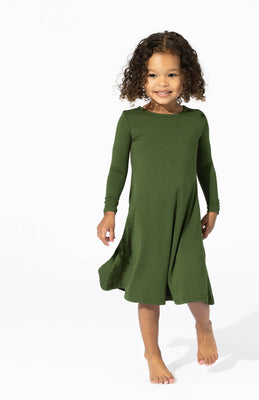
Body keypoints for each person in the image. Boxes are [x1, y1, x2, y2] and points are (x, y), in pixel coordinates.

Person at [96, 31, 220, 385]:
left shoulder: (196, 121)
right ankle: (152, 354)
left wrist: (213, 206)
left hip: (185, 219)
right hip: (146, 222)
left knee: (194, 282)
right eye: (152, 74)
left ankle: (204, 326)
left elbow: (205, 167)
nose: (162, 83)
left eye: (171, 74)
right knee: (148, 292)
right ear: (140, 77)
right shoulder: (131, 121)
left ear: (186, 76)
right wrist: (109, 210)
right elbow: (118, 170)